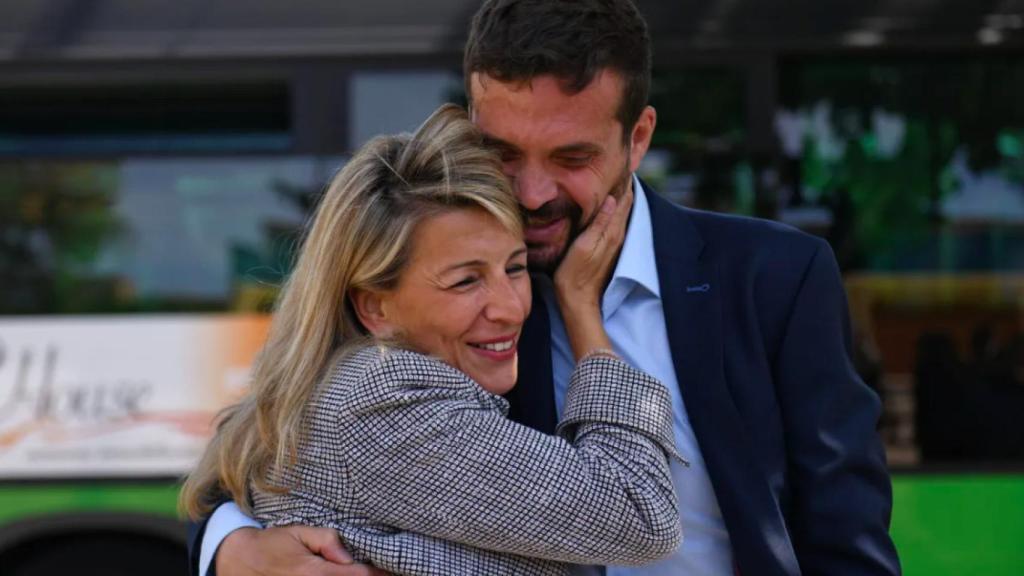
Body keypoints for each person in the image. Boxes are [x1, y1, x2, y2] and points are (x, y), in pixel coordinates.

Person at [192, 1, 902, 575]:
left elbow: (845, 537)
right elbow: (260, 450)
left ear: (639, 137)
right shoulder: (428, 290)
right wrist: (233, 550)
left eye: (571, 157)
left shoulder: (776, 276)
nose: (532, 195)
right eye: (502, 153)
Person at [181, 104, 684, 575]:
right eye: (466, 281)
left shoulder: (346, 390)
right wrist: (584, 315)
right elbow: (638, 510)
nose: (511, 308)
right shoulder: (384, 401)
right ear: (374, 305)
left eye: (515, 268)